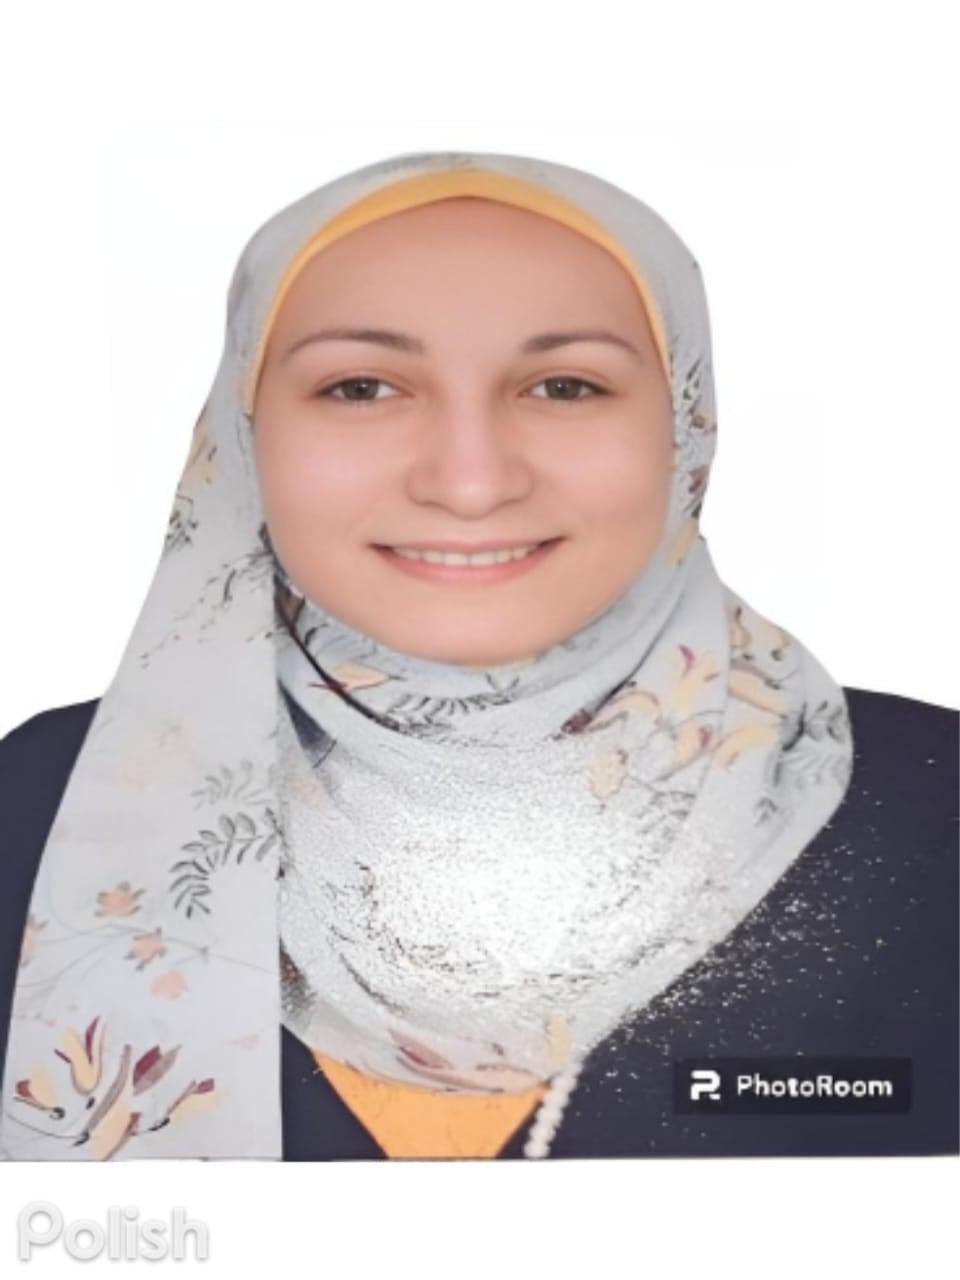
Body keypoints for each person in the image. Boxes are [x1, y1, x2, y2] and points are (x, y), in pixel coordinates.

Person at [0, 150, 955, 1162]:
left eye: (565, 385)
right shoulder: (48, 804)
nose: (470, 481)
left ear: (685, 422)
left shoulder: (933, 808)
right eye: (361, 386)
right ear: (243, 431)